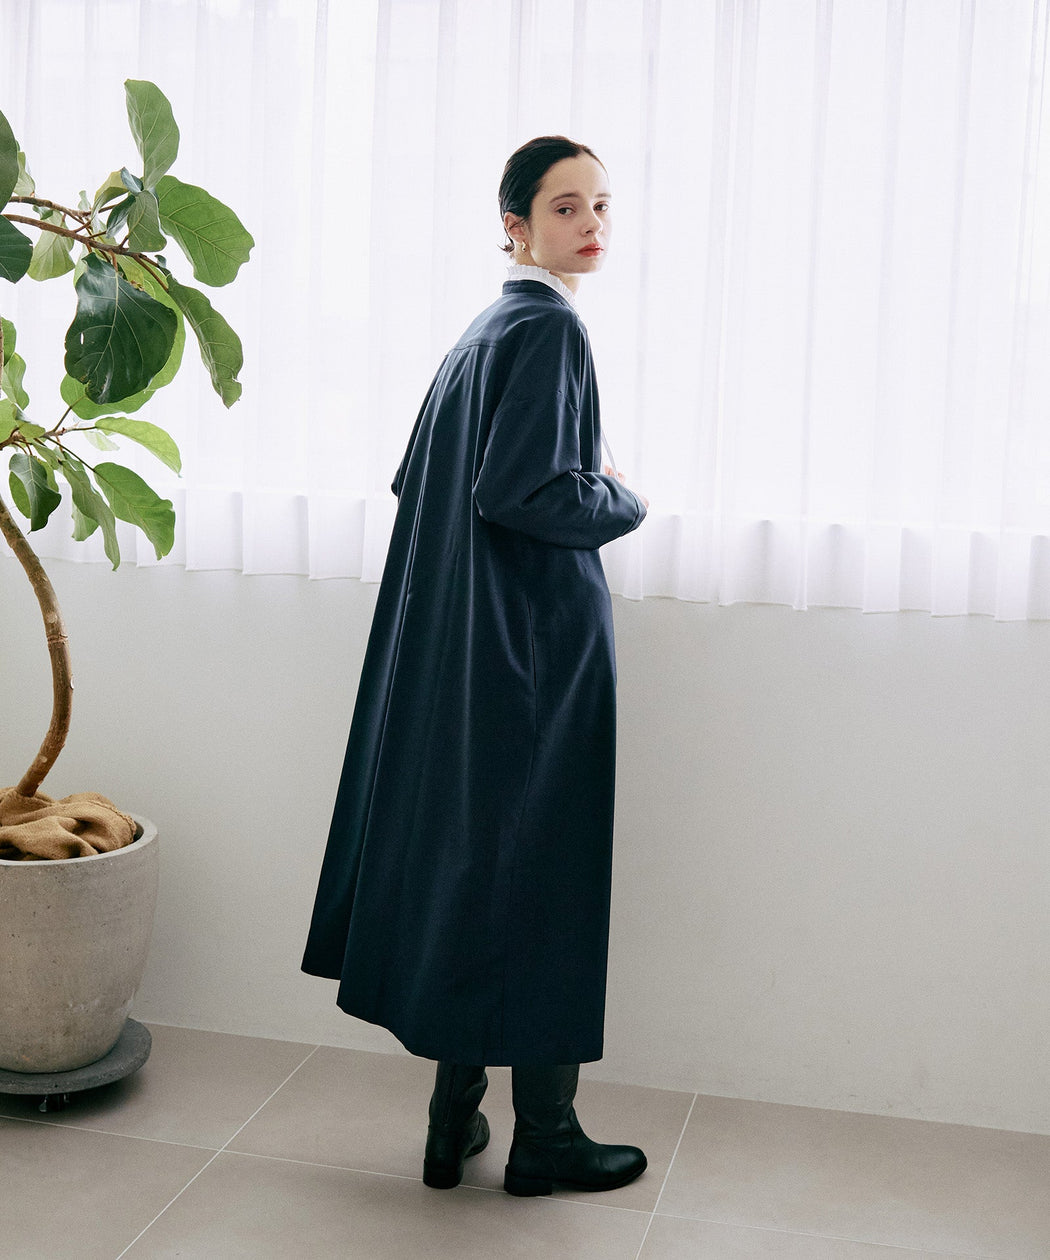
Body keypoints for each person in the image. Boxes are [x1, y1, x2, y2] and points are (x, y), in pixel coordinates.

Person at [302, 136, 648, 1197]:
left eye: (600, 204)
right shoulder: (549, 329)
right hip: (535, 655)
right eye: (564, 207)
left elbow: (426, 482)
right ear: (516, 226)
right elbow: (523, 491)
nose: (590, 224)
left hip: (473, 653)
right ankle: (547, 1137)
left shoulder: (482, 331)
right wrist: (621, 494)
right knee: (544, 882)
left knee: (482, 878)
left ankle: (452, 1124)